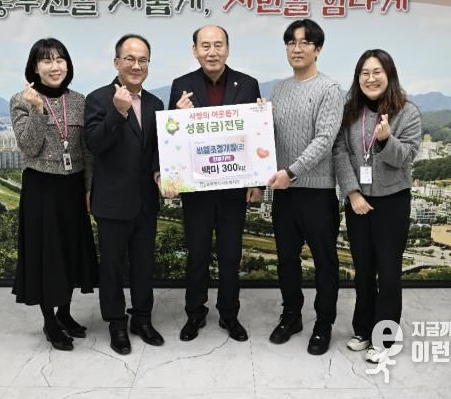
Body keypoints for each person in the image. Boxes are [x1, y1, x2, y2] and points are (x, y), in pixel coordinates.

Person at [169, 25, 262, 342]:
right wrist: (177, 115)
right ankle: (195, 314)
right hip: (196, 190)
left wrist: (257, 182)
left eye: (218, 45)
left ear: (228, 48)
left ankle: (229, 315)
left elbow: (255, 136)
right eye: (205, 45)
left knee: (230, 256)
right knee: (197, 255)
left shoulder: (247, 84)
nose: (212, 52)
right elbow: (172, 137)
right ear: (194, 50)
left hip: (234, 187)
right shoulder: (182, 85)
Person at [333, 49, 421, 362]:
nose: (371, 79)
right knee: (363, 270)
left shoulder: (407, 112)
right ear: (358, 78)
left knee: (389, 272)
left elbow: (406, 158)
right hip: (358, 201)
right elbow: (340, 153)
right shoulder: (350, 111)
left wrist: (386, 140)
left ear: (389, 75)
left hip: (393, 201)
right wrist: (352, 193)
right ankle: (362, 328)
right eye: (365, 73)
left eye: (377, 72)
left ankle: (384, 337)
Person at [11, 37, 97, 352]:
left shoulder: (79, 100)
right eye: (46, 60)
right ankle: (50, 321)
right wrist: (37, 109)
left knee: (71, 251)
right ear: (35, 67)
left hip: (73, 187)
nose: (55, 66)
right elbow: (29, 145)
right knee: (47, 256)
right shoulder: (21, 100)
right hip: (42, 188)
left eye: (60, 59)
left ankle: (65, 313)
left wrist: (89, 187)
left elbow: (87, 151)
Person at [266, 19, 343, 355]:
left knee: (325, 262)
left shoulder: (329, 89)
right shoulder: (279, 89)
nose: (296, 48)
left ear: (318, 49)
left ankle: (323, 324)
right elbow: (269, 135)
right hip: (284, 191)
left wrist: (292, 172)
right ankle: (291, 316)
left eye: (304, 42)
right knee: (286, 259)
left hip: (317, 191)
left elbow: (325, 140)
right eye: (291, 42)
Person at [84, 34, 165, 355]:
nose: (136, 65)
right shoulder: (98, 99)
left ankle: (142, 319)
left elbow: (156, 152)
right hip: (112, 202)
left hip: (146, 201)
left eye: (143, 59)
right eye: (129, 59)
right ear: (116, 62)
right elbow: (94, 144)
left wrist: (160, 173)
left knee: (144, 265)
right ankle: (117, 324)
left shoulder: (156, 103)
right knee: (112, 268)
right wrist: (117, 113)